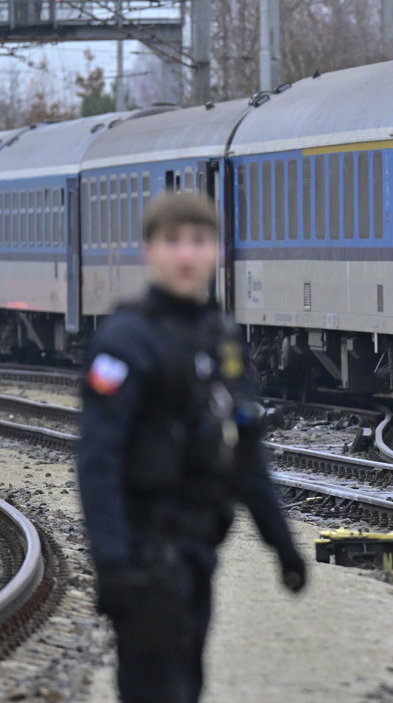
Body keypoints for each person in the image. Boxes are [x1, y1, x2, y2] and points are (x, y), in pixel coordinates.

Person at [77, 193, 307, 703]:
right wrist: (110, 561)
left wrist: (282, 543)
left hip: (199, 551)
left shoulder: (221, 339)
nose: (186, 254)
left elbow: (246, 449)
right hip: (144, 553)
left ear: (216, 252)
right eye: (172, 241)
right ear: (149, 251)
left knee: (188, 684)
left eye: (198, 241)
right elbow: (97, 459)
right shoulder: (126, 341)